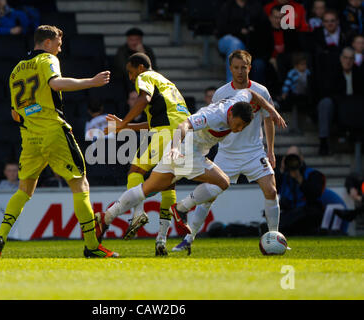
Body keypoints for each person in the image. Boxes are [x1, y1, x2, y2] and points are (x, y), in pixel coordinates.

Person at [95, 89, 286, 254]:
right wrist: (177, 148)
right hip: (186, 152)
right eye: (237, 124)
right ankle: (180, 208)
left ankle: (107, 216)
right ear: (230, 115)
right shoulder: (216, 115)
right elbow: (183, 125)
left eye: (243, 127)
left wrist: (272, 111)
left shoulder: (240, 101)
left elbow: (252, 93)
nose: (238, 129)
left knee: (145, 190)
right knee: (223, 181)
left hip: (184, 151)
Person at [0, 25, 118, 258]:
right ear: (47, 43)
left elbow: (14, 113)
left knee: (24, 190)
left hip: (29, 137)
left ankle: (1, 236)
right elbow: (55, 84)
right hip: (53, 131)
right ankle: (92, 246)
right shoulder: (47, 59)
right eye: (58, 42)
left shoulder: (16, 70)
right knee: (80, 186)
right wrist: (92, 82)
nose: (60, 47)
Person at [173, 50, 282, 253]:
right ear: (230, 68)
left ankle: (273, 237)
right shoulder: (221, 94)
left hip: (254, 151)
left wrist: (271, 150)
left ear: (250, 68)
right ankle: (188, 238)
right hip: (227, 153)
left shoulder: (261, 91)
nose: (240, 72)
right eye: (236, 68)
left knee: (271, 190)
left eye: (244, 67)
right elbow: (214, 124)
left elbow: (268, 120)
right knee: (209, 197)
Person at [102, 52, 190, 255]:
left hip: (168, 132)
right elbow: (154, 121)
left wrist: (123, 122)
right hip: (186, 134)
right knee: (168, 184)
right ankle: (161, 240)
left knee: (135, 170)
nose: (131, 78)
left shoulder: (145, 77)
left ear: (140, 67)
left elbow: (144, 98)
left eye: (131, 73)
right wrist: (125, 128)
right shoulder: (166, 82)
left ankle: (137, 213)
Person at [317, 47, 364, 155]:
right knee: (325, 103)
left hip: (356, 106)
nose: (348, 61)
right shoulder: (332, 71)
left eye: (351, 59)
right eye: (345, 58)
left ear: (353, 60)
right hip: (337, 105)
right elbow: (327, 91)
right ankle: (323, 142)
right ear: (341, 58)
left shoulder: (359, 72)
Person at [275, 146, 327, 235]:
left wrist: (299, 179)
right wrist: (282, 170)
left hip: (309, 215)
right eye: (289, 157)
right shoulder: (284, 177)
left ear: (301, 158)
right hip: (289, 214)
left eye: (295, 157)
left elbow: (315, 194)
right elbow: (273, 190)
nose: (292, 161)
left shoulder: (313, 174)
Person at [216, 0, 267, 82]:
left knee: (258, 64)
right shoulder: (227, 6)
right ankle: (233, 84)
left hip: (251, 42)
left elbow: (263, 26)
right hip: (228, 40)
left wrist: (251, 29)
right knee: (235, 44)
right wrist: (239, 30)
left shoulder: (256, 6)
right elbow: (221, 28)